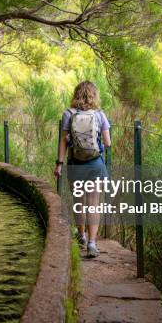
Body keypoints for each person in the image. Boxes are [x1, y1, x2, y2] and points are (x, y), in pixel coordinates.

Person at [54, 81, 111, 258]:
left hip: (75, 164)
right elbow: (108, 143)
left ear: (76, 94)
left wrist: (59, 164)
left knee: (79, 202)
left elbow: (63, 141)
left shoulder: (68, 114)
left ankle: (82, 236)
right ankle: (92, 245)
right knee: (94, 204)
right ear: (94, 95)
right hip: (95, 165)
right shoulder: (100, 114)